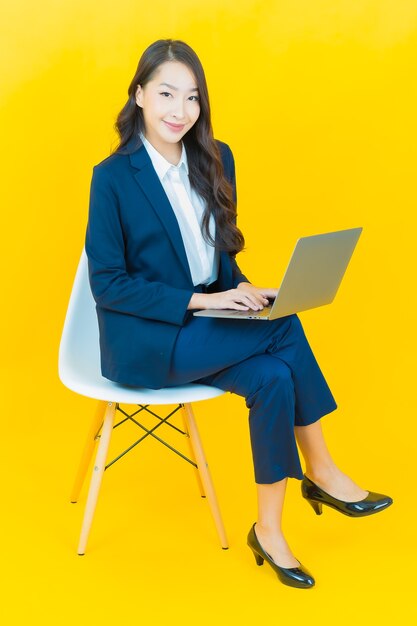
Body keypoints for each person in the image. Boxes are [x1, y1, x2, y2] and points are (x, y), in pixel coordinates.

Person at [85, 38, 393, 589]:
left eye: (192, 98)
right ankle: (320, 470)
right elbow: (108, 285)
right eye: (166, 94)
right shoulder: (112, 177)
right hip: (148, 339)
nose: (180, 111)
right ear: (138, 96)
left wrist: (245, 292)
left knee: (274, 376)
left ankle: (269, 532)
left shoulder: (215, 157)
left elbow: (221, 256)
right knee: (287, 328)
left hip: (209, 325)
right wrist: (205, 302)